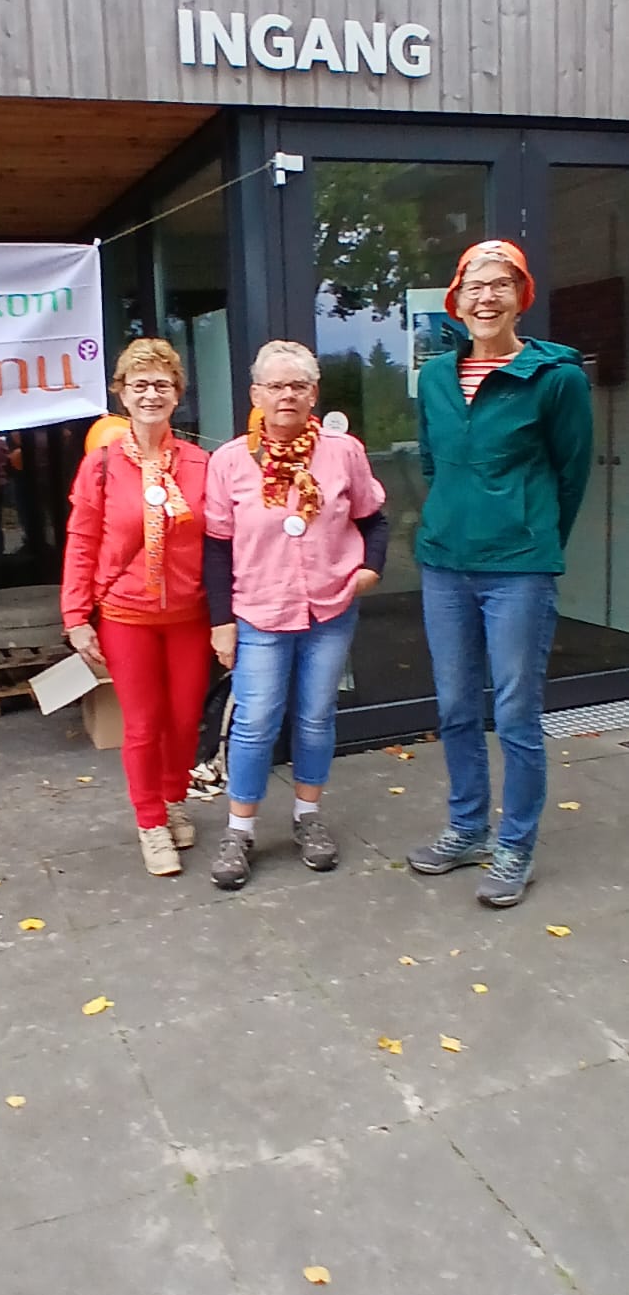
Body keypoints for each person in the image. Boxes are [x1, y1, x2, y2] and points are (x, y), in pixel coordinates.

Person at [407, 240, 593, 907]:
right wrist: (451, 519)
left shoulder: (556, 377)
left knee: (514, 713)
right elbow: (430, 463)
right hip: (443, 565)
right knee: (456, 708)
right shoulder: (433, 377)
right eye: (473, 285)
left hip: (517, 569)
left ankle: (513, 842)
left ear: (521, 296)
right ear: (454, 301)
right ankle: (466, 829)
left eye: (500, 284)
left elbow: (571, 475)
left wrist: (531, 535)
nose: (485, 297)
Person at [204, 341, 387, 890]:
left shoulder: (343, 451)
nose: (287, 395)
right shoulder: (231, 460)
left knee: (315, 716)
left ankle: (308, 817)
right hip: (260, 609)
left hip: (330, 607)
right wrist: (220, 620)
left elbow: (374, 518)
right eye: (276, 386)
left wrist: (370, 569)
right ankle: (239, 830)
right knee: (256, 721)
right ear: (256, 394)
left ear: (313, 393)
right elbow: (215, 545)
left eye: (298, 386)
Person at [61, 338, 211, 877]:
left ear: (178, 395)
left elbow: (221, 540)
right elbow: (81, 542)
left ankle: (173, 800)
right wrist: (76, 617)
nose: (151, 394)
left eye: (162, 385)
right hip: (126, 616)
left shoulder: (199, 463)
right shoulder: (100, 467)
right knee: (144, 724)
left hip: (190, 616)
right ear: (121, 393)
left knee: (185, 718)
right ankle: (150, 822)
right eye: (139, 384)